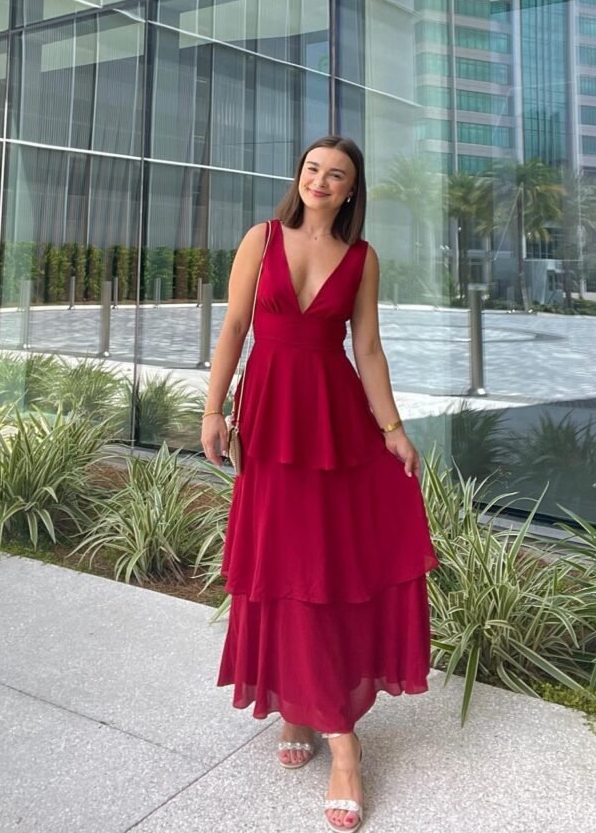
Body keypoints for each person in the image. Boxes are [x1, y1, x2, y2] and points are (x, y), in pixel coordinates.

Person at [201, 135, 438, 831]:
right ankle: (297, 702)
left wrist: (392, 428)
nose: (321, 181)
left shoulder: (360, 259)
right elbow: (236, 327)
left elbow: (366, 347)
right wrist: (213, 409)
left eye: (336, 175)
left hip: (334, 425)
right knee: (281, 567)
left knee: (327, 569)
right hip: (270, 421)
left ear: (350, 190)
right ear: (298, 176)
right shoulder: (261, 237)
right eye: (312, 169)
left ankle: (339, 741)